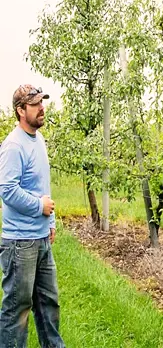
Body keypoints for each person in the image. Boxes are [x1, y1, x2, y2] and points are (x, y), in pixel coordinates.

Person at [0, 84, 65, 348]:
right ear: (20, 110)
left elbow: (42, 187)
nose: (42, 108)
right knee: (17, 310)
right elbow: (7, 190)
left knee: (49, 303)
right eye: (35, 104)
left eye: (42, 102)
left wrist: (48, 222)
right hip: (19, 243)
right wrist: (40, 207)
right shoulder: (13, 146)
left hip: (40, 239)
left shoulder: (39, 141)